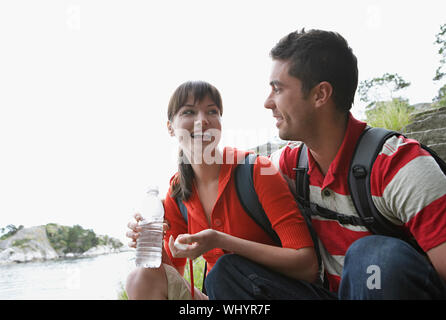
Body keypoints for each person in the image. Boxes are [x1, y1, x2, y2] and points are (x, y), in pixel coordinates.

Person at [205, 28, 446, 299]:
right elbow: (230, 174)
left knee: (372, 257)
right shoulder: (290, 165)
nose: (267, 102)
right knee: (228, 272)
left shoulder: (400, 166)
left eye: (278, 89)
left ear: (321, 94)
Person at [125, 80, 319, 300]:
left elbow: (307, 265)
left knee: (224, 272)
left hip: (277, 293)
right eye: (189, 112)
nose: (203, 120)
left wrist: (221, 240)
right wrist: (151, 245)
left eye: (212, 111)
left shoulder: (257, 171)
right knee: (140, 279)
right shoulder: (178, 192)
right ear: (170, 127)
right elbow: (173, 273)